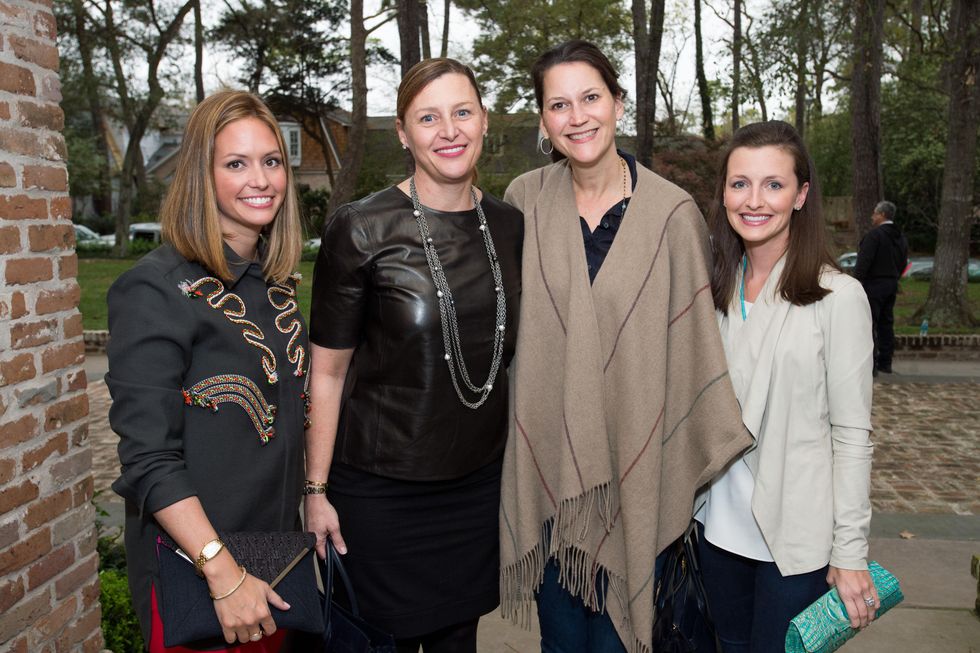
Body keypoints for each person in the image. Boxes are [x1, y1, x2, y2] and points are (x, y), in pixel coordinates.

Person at [499, 40, 751, 653]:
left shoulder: (672, 215)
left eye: (591, 97)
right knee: (561, 644)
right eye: (559, 104)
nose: (577, 116)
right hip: (552, 479)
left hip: (641, 481)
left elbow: (691, 352)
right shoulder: (523, 201)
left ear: (617, 102)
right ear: (542, 119)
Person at [304, 58, 523, 653]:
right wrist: (316, 491)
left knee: (459, 641)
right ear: (403, 133)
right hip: (379, 494)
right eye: (428, 118)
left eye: (462, 112)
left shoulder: (509, 225)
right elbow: (326, 372)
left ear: (484, 123)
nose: (448, 130)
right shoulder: (361, 228)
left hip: (475, 488)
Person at [107, 91, 309, 651]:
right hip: (202, 578)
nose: (261, 179)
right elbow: (147, 458)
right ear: (202, 174)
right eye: (236, 164)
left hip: (277, 564)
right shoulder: (153, 288)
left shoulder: (275, 287)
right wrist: (222, 574)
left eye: (271, 161)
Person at [695, 120, 877, 653]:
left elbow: (852, 435)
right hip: (715, 531)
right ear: (724, 193)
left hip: (792, 544)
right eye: (740, 183)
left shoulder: (836, 297)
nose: (754, 200)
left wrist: (850, 551)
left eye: (773, 184)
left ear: (801, 195)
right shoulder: (711, 290)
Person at [854, 200, 908, 375]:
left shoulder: (875, 236)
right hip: (891, 283)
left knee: (870, 323)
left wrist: (857, 282)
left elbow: (864, 261)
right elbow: (903, 261)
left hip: (874, 284)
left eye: (875, 213)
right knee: (886, 323)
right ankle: (886, 362)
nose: (872, 216)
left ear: (882, 215)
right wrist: (894, 277)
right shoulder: (900, 237)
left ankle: (871, 364)